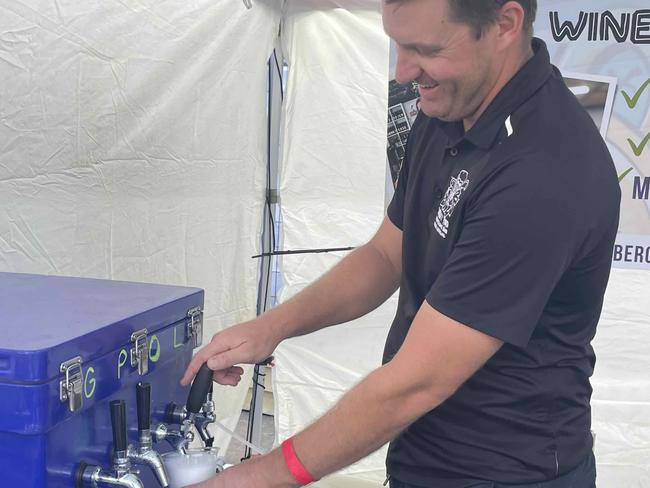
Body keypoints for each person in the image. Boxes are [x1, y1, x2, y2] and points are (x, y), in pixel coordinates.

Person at [181, 1, 620, 487]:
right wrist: (272, 328)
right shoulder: (448, 109)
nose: (404, 71)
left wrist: (258, 477)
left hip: (508, 472)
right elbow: (385, 254)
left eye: (424, 49)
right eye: (397, 43)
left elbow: (415, 383)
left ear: (505, 24)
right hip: (422, 453)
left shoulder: (543, 171)